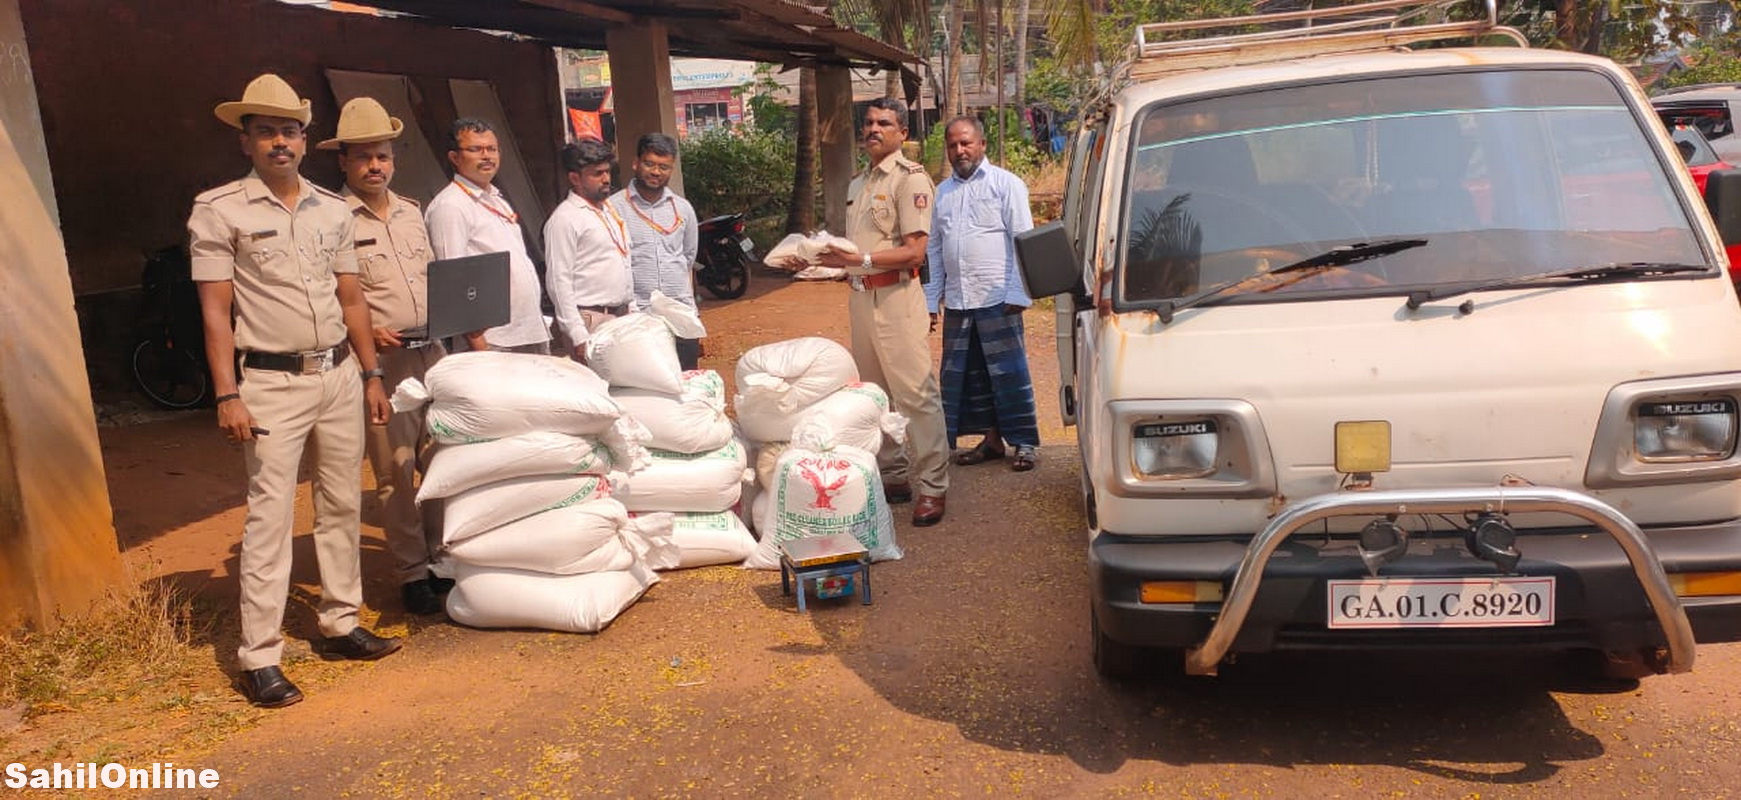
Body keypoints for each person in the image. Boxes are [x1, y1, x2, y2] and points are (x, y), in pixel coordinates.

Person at [188, 74, 400, 709]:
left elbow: (352, 298)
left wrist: (370, 375)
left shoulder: (333, 211)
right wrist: (228, 394)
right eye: (265, 132)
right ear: (246, 142)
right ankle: (259, 656)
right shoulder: (219, 209)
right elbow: (215, 313)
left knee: (341, 505)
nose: (279, 141)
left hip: (337, 375)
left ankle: (340, 622)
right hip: (271, 383)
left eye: (289, 130)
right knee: (270, 517)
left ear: (305, 140)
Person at [318, 97, 450, 615]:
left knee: (441, 459)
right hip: (382, 365)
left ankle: (441, 559)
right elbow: (326, 293)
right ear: (343, 163)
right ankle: (412, 572)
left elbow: (436, 280)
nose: (376, 166)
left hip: (433, 353)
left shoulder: (414, 213)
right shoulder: (331, 219)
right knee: (395, 471)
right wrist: (368, 329)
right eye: (364, 158)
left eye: (384, 156)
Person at [813, 97, 950, 527]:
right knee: (874, 394)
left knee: (915, 394)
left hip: (896, 298)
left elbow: (914, 251)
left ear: (902, 133)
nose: (873, 129)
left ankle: (932, 485)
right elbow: (858, 248)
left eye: (884, 123)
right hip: (860, 297)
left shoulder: (911, 181)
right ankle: (893, 476)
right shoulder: (858, 184)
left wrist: (862, 262)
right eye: (869, 122)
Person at [924, 116, 1041, 472]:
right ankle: (991, 441)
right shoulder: (941, 193)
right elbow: (933, 249)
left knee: (1008, 375)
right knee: (969, 375)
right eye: (953, 145)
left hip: (998, 299)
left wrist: (1019, 292)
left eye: (966, 143)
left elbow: (1024, 240)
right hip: (959, 301)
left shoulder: (1007, 185)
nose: (960, 151)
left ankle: (1024, 444)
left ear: (982, 145)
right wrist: (931, 300)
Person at [424, 118, 550, 354]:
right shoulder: (451, 205)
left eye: (491, 149)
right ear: (454, 157)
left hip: (526, 330)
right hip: (492, 340)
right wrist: (479, 345)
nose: (487, 156)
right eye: (475, 149)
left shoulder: (496, 198)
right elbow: (454, 280)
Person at [607, 132, 704, 369]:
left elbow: (688, 258)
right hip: (638, 315)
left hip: (681, 313)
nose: (656, 172)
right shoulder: (614, 208)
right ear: (635, 163)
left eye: (664, 167)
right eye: (649, 164)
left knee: (686, 381)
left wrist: (691, 309)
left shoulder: (682, 208)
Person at [544, 138, 635, 359]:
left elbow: (623, 262)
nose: (606, 179)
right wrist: (578, 335)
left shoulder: (608, 210)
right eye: (597, 174)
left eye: (607, 172)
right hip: (590, 320)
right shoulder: (564, 219)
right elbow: (559, 281)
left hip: (622, 316)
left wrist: (632, 308)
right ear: (575, 178)